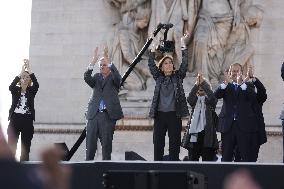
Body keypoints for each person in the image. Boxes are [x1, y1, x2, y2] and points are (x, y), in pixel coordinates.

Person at [148, 33, 190, 161]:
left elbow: (184, 64)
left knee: (174, 145)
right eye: (166, 63)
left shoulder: (178, 77)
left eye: (171, 63)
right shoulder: (158, 77)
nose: (169, 65)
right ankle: (157, 167)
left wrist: (183, 45)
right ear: (161, 66)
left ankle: (173, 167)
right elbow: (150, 64)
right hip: (160, 115)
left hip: (174, 115)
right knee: (158, 144)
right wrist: (153, 48)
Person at [84, 47, 123, 160]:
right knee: (90, 147)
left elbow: (118, 78)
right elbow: (86, 78)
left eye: (104, 65)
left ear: (109, 67)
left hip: (107, 116)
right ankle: (88, 170)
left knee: (106, 147)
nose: (102, 67)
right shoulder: (96, 77)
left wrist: (109, 61)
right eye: (100, 65)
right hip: (93, 115)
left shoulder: (114, 78)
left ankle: (105, 173)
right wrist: (93, 60)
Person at [215, 63, 259, 162]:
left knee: (245, 157)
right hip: (228, 126)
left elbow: (253, 98)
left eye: (237, 71)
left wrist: (242, 84)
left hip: (243, 127)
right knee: (226, 157)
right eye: (233, 71)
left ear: (242, 72)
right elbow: (216, 95)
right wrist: (225, 83)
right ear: (230, 73)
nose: (235, 73)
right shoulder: (226, 85)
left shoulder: (248, 85)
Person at [8, 59, 39, 161]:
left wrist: (29, 70)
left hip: (27, 120)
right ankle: (10, 167)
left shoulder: (31, 91)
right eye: (23, 77)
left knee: (25, 147)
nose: (25, 78)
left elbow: (37, 85)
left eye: (27, 77)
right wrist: (21, 72)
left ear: (29, 80)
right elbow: (11, 86)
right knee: (11, 146)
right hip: (15, 119)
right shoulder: (15, 90)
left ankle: (23, 168)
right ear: (20, 80)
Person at [186, 74, 218, 161]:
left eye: (203, 86)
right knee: (193, 162)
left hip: (207, 136)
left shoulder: (210, 101)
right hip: (194, 137)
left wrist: (203, 83)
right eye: (199, 86)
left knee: (207, 163)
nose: (201, 87)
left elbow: (213, 98)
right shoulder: (195, 101)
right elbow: (189, 99)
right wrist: (196, 85)